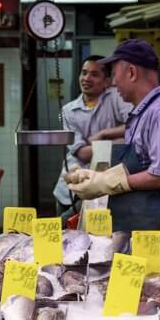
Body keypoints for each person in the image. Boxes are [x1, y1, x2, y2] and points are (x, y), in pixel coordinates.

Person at [65, 39, 160, 231]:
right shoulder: (140, 114)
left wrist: (107, 183)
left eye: (113, 74)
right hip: (130, 220)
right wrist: (96, 177)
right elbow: (139, 167)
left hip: (147, 225)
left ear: (131, 72)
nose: (113, 83)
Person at [53, 55, 133, 215]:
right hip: (70, 191)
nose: (86, 78)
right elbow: (82, 153)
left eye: (94, 74)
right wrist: (118, 141)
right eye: (84, 73)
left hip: (104, 189)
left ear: (107, 80)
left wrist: (103, 134)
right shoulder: (67, 112)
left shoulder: (115, 97)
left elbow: (135, 125)